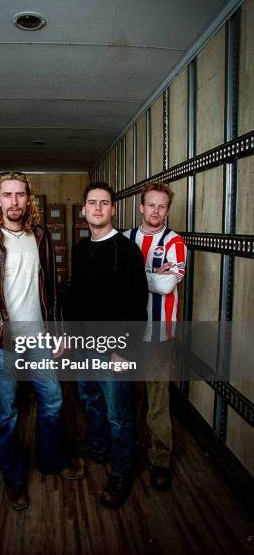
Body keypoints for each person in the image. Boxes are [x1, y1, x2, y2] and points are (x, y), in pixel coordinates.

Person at [0, 171, 85, 511]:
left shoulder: (42, 237)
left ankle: (51, 460)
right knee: (6, 415)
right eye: (8, 195)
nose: (15, 201)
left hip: (40, 338)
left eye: (21, 194)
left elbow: (53, 291)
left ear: (28, 199)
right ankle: (14, 479)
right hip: (3, 343)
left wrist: (58, 332)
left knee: (54, 402)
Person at [68, 181, 148, 508]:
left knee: (119, 413)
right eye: (92, 202)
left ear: (113, 209)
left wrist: (122, 351)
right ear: (84, 210)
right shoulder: (80, 249)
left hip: (115, 347)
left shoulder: (128, 251)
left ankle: (121, 472)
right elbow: (75, 297)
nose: (98, 208)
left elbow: (137, 305)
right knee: (90, 399)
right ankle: (97, 445)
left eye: (104, 203)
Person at [123, 181, 187, 491]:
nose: (156, 211)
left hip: (160, 334)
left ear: (167, 210)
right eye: (151, 205)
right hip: (129, 334)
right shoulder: (126, 239)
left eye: (162, 206)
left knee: (158, 401)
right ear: (141, 207)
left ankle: (160, 460)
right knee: (129, 396)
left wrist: (137, 278)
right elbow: (118, 282)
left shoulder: (175, 242)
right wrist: (150, 277)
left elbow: (166, 286)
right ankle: (128, 451)